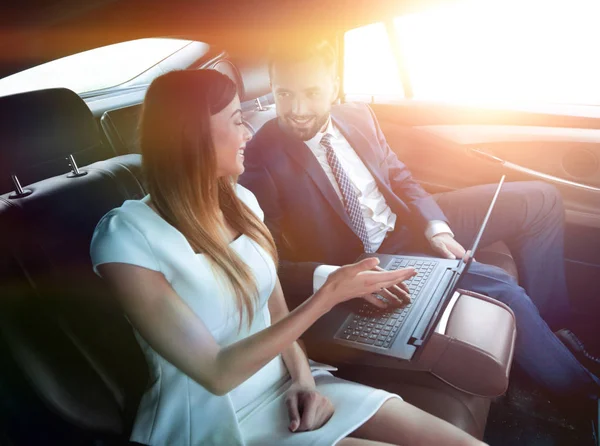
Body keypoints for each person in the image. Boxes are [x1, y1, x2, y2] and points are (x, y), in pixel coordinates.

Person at [89, 69, 485, 446]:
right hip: (211, 418)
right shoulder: (127, 237)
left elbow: (276, 315)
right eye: (236, 120)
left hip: (287, 383)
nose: (248, 132)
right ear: (191, 135)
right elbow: (215, 372)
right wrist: (327, 295)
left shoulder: (242, 203)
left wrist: (303, 379)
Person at [239, 40, 600, 399]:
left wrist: (435, 226)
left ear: (333, 87)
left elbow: (399, 177)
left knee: (542, 200)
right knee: (505, 291)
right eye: (284, 94)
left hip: (407, 223)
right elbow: (269, 263)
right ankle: (585, 394)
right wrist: (335, 277)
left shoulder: (358, 115)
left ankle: (555, 330)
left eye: (311, 93)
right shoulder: (257, 160)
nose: (297, 109)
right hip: (370, 258)